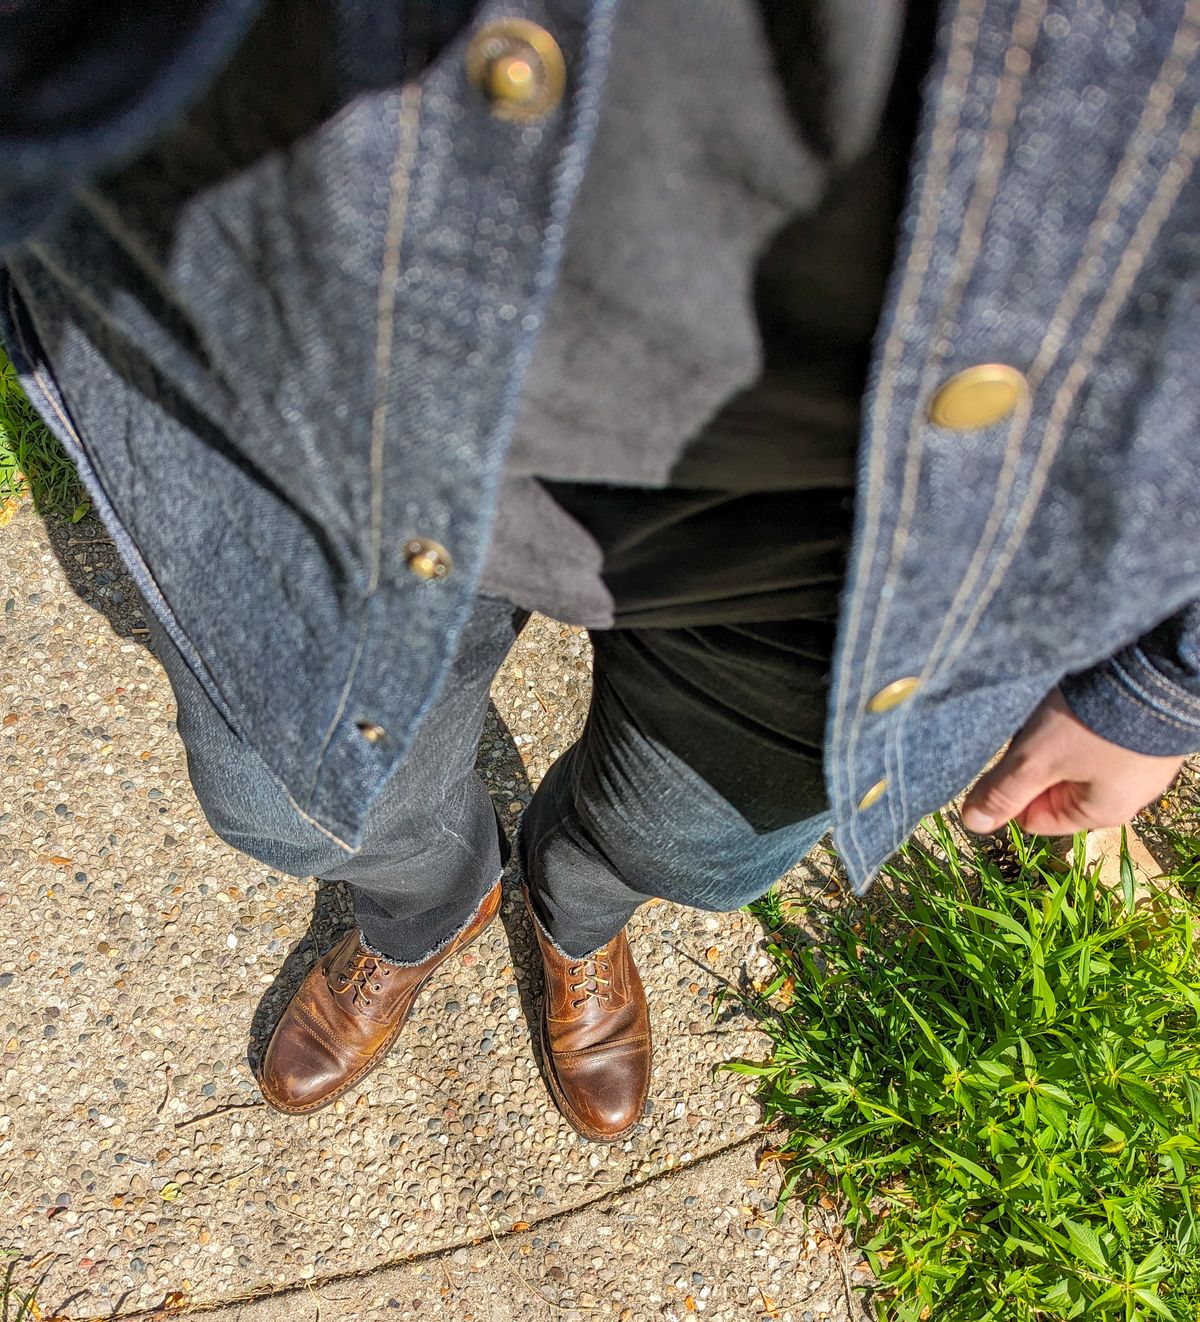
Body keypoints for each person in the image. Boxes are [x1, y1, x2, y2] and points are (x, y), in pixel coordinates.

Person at [2, 0, 1197, 1142]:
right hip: (307, 396)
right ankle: (427, 909)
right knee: (290, 801)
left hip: (873, 544)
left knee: (699, 847)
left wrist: (1165, 683)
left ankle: (576, 917)